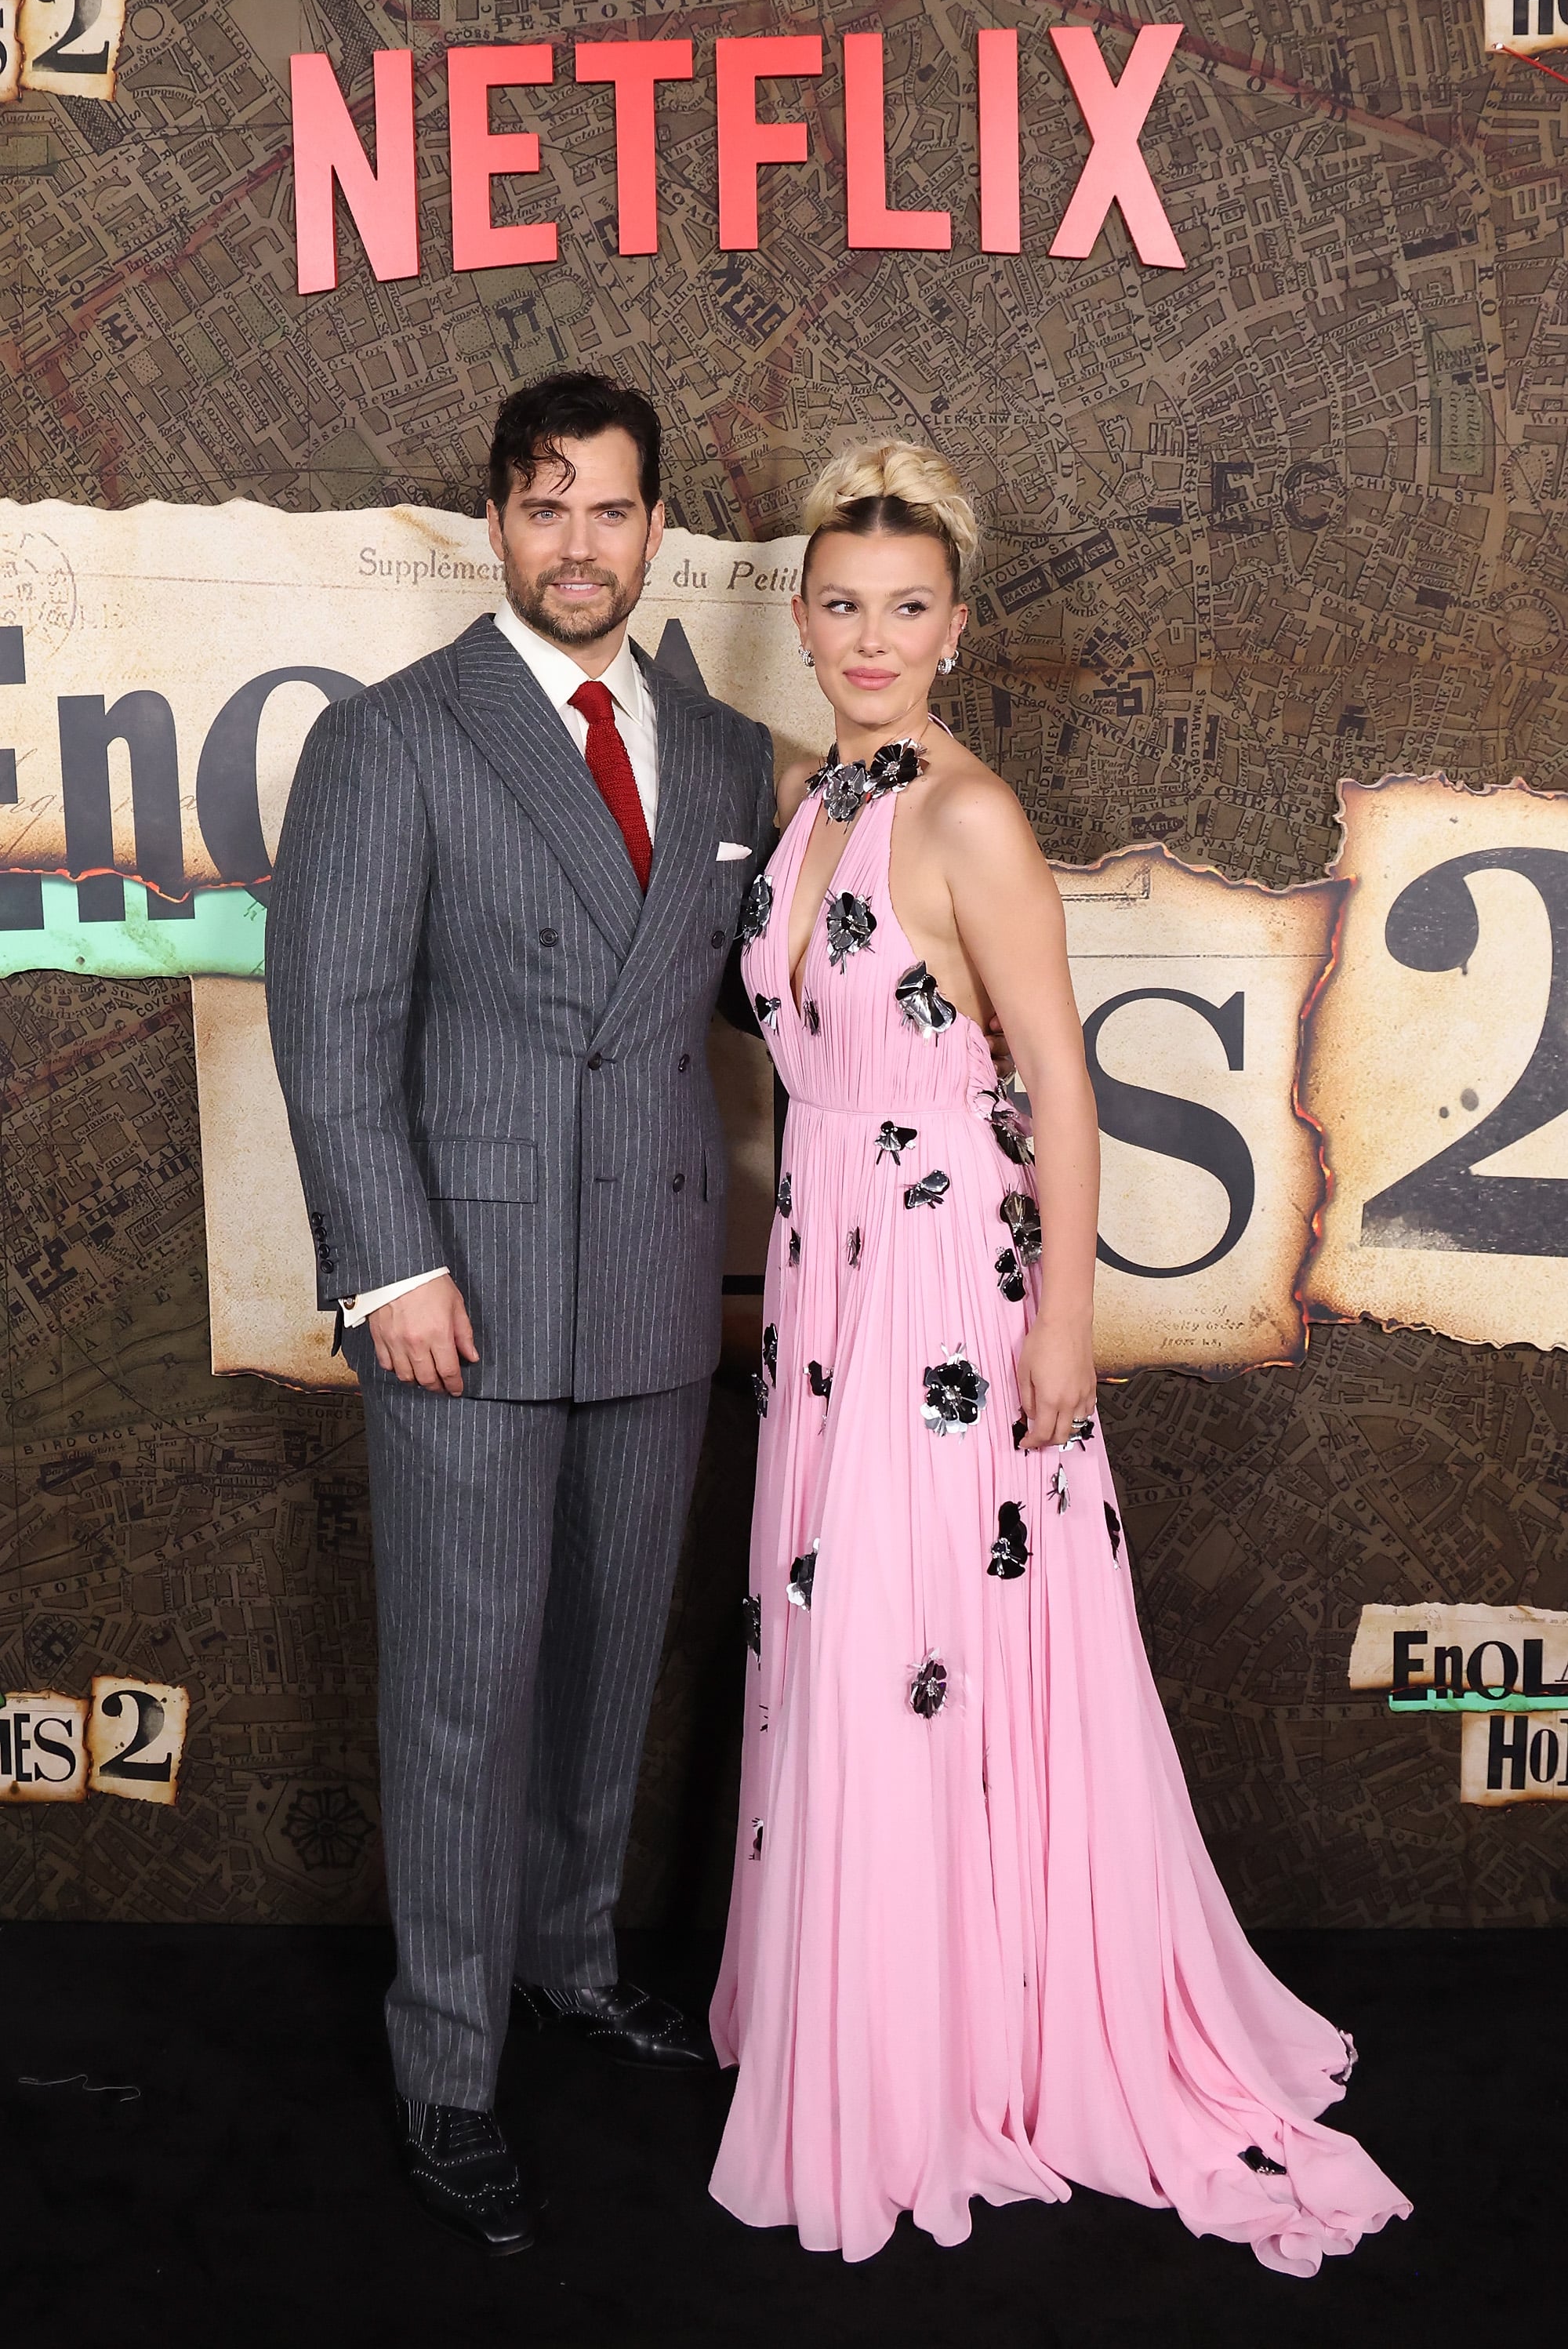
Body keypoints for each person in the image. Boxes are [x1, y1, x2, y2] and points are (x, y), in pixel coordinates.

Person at [708, 441, 1411, 2275]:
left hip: (943, 1277)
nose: (872, 639)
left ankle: (962, 2045)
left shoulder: (968, 816)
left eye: (907, 609)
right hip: (825, 1281)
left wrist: (1063, 1326)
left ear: (957, 625)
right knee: (835, 1636)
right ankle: (863, 2020)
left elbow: (1063, 1076)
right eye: (841, 606)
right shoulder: (808, 805)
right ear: (804, 616)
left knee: (916, 1638)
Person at [266, 372, 774, 2254]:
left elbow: (754, 993)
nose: (581, 543)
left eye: (614, 511)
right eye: (547, 506)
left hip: (648, 1287)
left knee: (602, 1668)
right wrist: (388, 1268)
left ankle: (568, 1962)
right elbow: (332, 1031)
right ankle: (448, 2066)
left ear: (657, 535)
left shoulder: (715, 752)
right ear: (498, 518)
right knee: (464, 1699)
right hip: (455, 1303)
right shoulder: (392, 739)